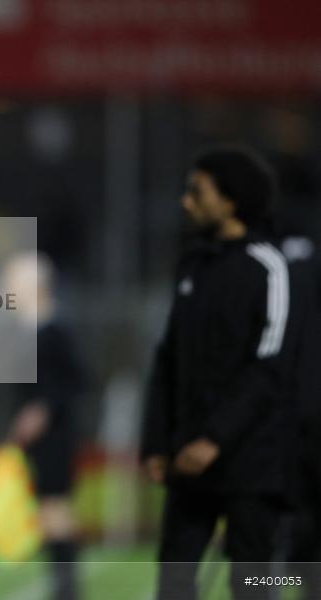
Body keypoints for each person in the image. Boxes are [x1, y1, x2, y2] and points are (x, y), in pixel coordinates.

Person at [141, 146, 295, 600]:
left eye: (197, 192)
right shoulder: (194, 264)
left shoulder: (269, 266)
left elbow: (270, 366)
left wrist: (216, 439)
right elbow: (168, 357)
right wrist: (156, 442)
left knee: (252, 584)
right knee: (173, 582)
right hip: (187, 461)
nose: (186, 202)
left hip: (250, 461)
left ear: (232, 200)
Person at [2, 252, 84, 600]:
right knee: (50, 512)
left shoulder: (54, 330)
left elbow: (76, 380)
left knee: (56, 510)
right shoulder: (32, 331)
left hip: (56, 437)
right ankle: (64, 588)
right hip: (41, 439)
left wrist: (43, 409)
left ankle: (66, 591)